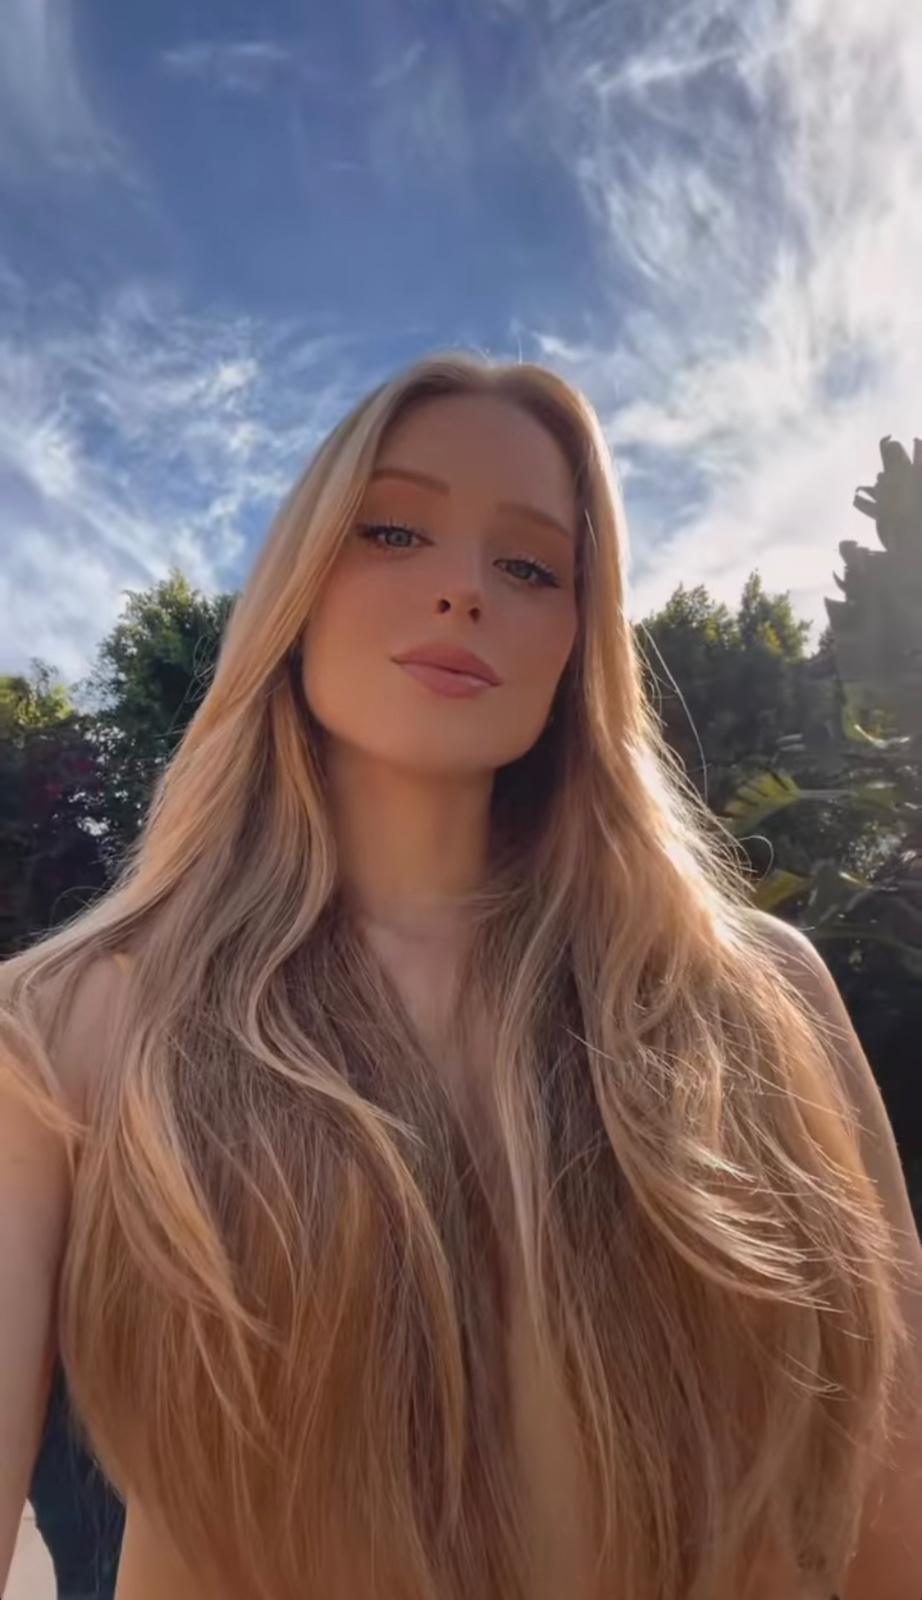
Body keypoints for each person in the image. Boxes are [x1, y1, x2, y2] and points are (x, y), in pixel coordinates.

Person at [1, 352, 920, 1600]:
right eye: (392, 531)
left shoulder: (759, 998)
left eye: (530, 566)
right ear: (296, 589)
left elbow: (892, 1511)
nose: (462, 591)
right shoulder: (66, 1027)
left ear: (579, 642)